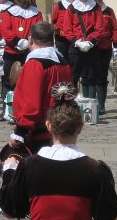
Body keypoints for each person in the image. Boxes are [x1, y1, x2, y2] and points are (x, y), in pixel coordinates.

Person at [8, 21, 72, 154]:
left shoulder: (35, 64)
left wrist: (20, 132)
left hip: (39, 132)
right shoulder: (63, 62)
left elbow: (32, 102)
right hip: (59, 127)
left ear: (30, 39)